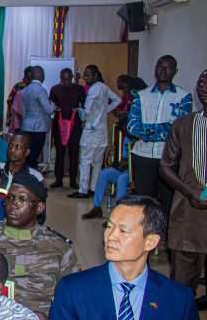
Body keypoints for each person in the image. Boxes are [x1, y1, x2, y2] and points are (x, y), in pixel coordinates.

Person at [46, 196, 205, 320]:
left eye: (123, 230)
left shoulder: (178, 300)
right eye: (109, 226)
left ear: (150, 242)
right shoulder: (74, 290)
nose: (110, 236)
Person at [0, 173, 79, 320]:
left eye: (22, 200)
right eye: (10, 198)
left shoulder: (59, 248)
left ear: (39, 208)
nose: (13, 205)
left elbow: (73, 301)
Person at [160, 69, 207, 298]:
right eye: (201, 82)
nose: (204, 87)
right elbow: (165, 167)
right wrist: (189, 192)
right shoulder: (183, 125)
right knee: (181, 285)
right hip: (188, 214)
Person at [128, 55, 192, 210]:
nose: (162, 70)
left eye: (167, 67)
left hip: (170, 158)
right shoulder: (141, 95)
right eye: (159, 66)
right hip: (143, 156)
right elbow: (132, 127)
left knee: (169, 202)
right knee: (143, 203)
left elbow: (180, 129)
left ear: (175, 71)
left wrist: (147, 131)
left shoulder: (183, 96)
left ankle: (166, 227)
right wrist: (166, 129)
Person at [70, 65, 121, 202]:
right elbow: (118, 100)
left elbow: (87, 111)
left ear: (96, 75)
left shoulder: (93, 89)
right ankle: (93, 189)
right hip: (101, 131)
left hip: (90, 130)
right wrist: (105, 111)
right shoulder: (104, 87)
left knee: (85, 161)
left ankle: (83, 190)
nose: (85, 77)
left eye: (87, 75)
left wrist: (80, 113)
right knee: (97, 163)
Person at [49, 68, 86, 189]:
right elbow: (51, 105)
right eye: (64, 79)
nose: (66, 82)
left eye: (68, 79)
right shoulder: (55, 89)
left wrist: (80, 112)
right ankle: (58, 180)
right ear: (60, 78)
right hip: (59, 126)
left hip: (75, 126)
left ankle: (73, 181)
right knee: (59, 153)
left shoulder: (79, 89)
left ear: (72, 77)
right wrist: (54, 109)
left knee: (74, 154)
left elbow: (84, 106)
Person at [20, 66, 54, 169]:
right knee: (34, 155)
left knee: (27, 154)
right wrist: (54, 105)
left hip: (26, 126)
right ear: (40, 75)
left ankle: (26, 173)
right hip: (39, 127)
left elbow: (23, 111)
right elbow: (49, 110)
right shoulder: (41, 90)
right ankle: (32, 175)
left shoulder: (24, 90)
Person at [7, 66, 33, 133]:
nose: (30, 79)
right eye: (28, 77)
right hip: (17, 120)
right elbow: (10, 100)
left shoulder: (35, 88)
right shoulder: (19, 86)